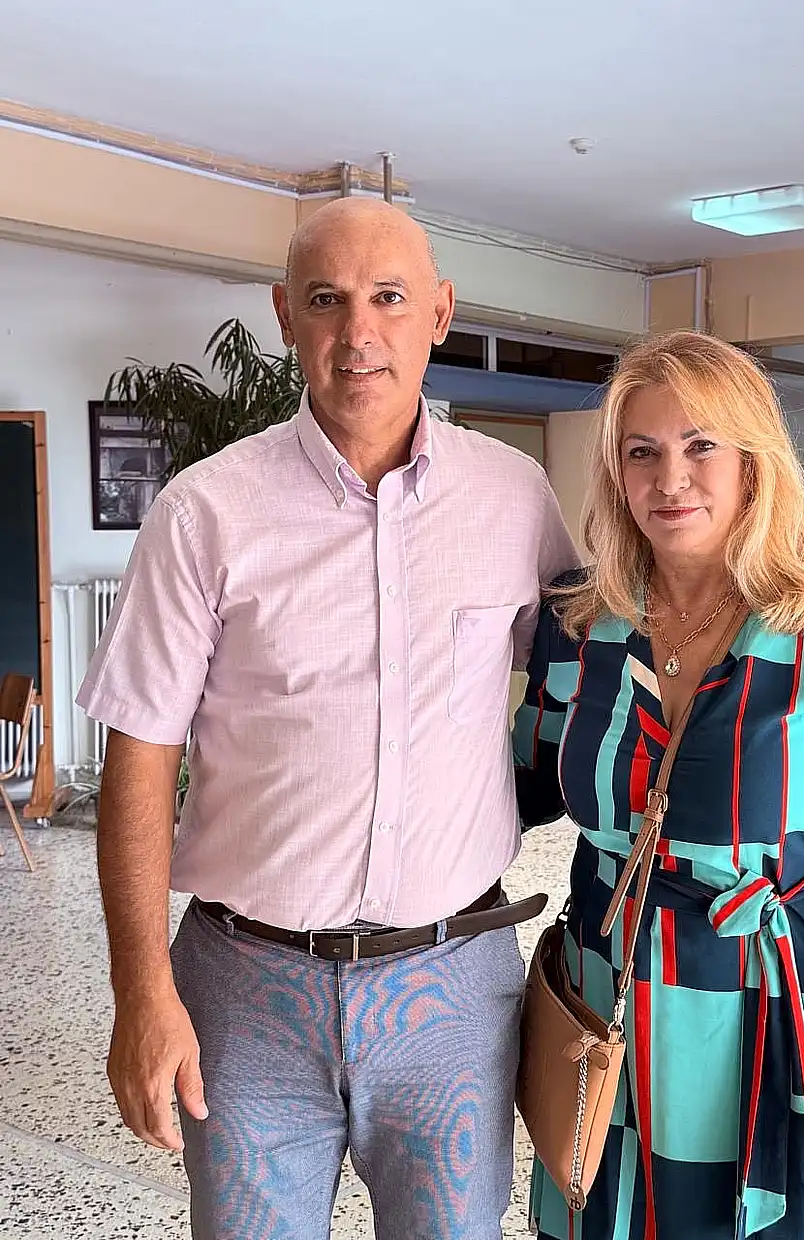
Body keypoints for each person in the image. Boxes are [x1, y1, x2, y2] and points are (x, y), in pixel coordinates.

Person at [77, 197, 578, 1240]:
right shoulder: (205, 513)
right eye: (326, 300)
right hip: (245, 991)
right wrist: (142, 992)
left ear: (440, 312)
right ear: (284, 315)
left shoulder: (515, 497)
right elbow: (139, 752)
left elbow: (596, 667)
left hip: (451, 992)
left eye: (390, 298)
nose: (359, 333)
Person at [513, 330, 804, 1240]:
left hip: (786, 1007)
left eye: (701, 446)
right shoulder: (579, 626)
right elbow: (513, 786)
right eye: (642, 452)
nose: (671, 479)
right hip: (613, 1001)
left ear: (753, 461)